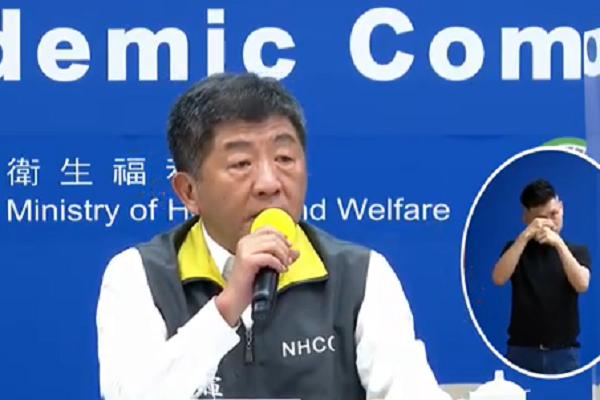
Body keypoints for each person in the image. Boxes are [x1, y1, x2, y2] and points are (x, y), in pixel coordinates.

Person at [95, 73, 450, 400]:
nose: (269, 183)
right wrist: (226, 308)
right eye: (241, 164)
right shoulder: (138, 275)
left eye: (284, 158)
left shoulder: (360, 276)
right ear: (188, 191)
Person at [491, 178, 592, 374]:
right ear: (526, 219)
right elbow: (498, 278)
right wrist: (525, 236)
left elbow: (582, 284)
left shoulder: (577, 251)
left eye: (554, 214)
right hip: (521, 351)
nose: (550, 223)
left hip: (564, 352)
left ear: (561, 208)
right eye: (540, 218)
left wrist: (558, 244)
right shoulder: (515, 249)